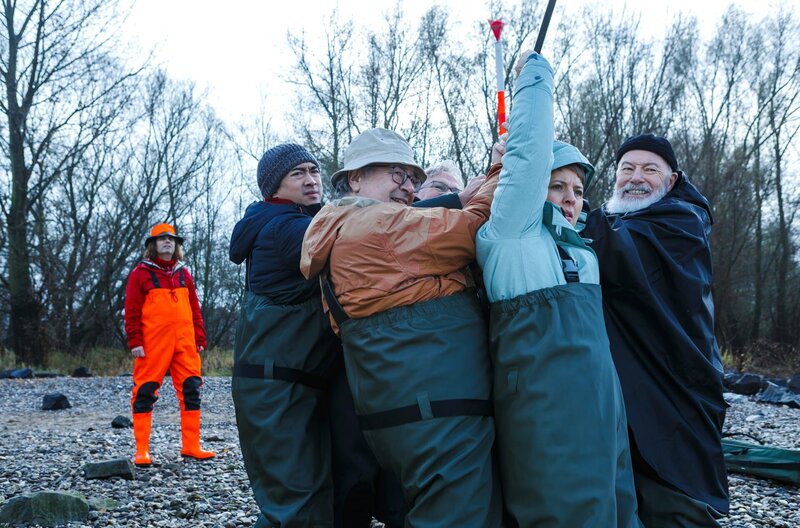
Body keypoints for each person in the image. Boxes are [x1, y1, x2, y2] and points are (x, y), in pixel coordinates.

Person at [300, 128, 504, 527]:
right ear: (354, 178)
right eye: (396, 174)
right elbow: (474, 227)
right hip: (434, 410)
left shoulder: (347, 225)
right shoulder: (377, 227)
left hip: (408, 408)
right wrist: (503, 168)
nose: (408, 187)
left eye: (412, 178)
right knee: (455, 514)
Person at [476, 51, 641, 527]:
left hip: (603, 408)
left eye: (577, 189)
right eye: (556, 186)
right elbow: (528, 152)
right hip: (548, 413)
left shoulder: (581, 251)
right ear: (530, 190)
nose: (570, 198)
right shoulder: (511, 232)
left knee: (621, 512)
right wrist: (536, 77)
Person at [229, 144, 405, 528]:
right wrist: (454, 202)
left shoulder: (304, 219)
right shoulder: (284, 229)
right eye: (298, 174)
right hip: (273, 389)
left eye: (313, 171)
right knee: (295, 502)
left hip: (303, 380)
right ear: (273, 187)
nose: (311, 180)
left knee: (326, 494)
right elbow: (364, 235)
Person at [583, 133, 729, 527]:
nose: (635, 177)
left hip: (675, 385)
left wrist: (564, 207)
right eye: (627, 168)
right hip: (630, 383)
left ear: (672, 180)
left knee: (675, 496)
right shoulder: (617, 219)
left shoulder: (681, 221)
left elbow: (621, 255)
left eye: (650, 169)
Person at [124, 223, 215, 467]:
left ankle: (191, 446)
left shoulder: (184, 273)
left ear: (176, 246)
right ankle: (142, 451)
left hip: (185, 341)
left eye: (172, 240)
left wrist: (200, 337)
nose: (168, 242)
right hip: (152, 342)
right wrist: (135, 341)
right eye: (162, 239)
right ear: (152, 245)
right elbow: (131, 310)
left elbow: (195, 308)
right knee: (144, 391)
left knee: (192, 389)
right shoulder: (140, 273)